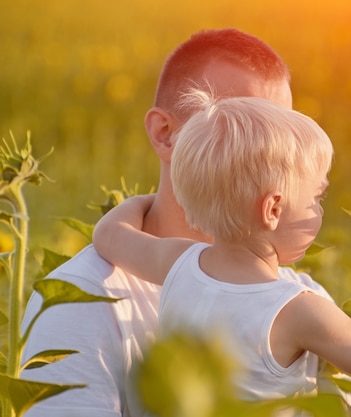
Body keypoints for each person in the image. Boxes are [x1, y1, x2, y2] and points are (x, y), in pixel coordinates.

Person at [92, 91, 351, 403]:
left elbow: (108, 235)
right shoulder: (296, 309)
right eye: (316, 197)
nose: (320, 208)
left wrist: (149, 199)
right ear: (273, 210)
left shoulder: (177, 262)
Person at [19, 28, 293, 417]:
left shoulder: (287, 285)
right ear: (165, 134)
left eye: (284, 136)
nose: (269, 157)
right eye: (237, 127)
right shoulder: (82, 299)